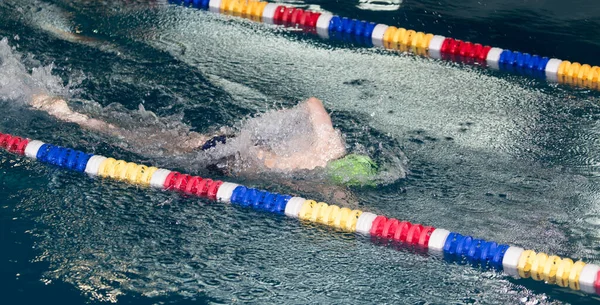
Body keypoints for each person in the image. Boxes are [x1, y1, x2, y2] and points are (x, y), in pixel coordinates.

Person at [31, 94, 380, 187]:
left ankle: (77, 114)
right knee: (136, 142)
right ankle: (72, 116)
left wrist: (263, 130)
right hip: (228, 158)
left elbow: (313, 103)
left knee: (150, 135)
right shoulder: (316, 171)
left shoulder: (331, 144)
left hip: (229, 144)